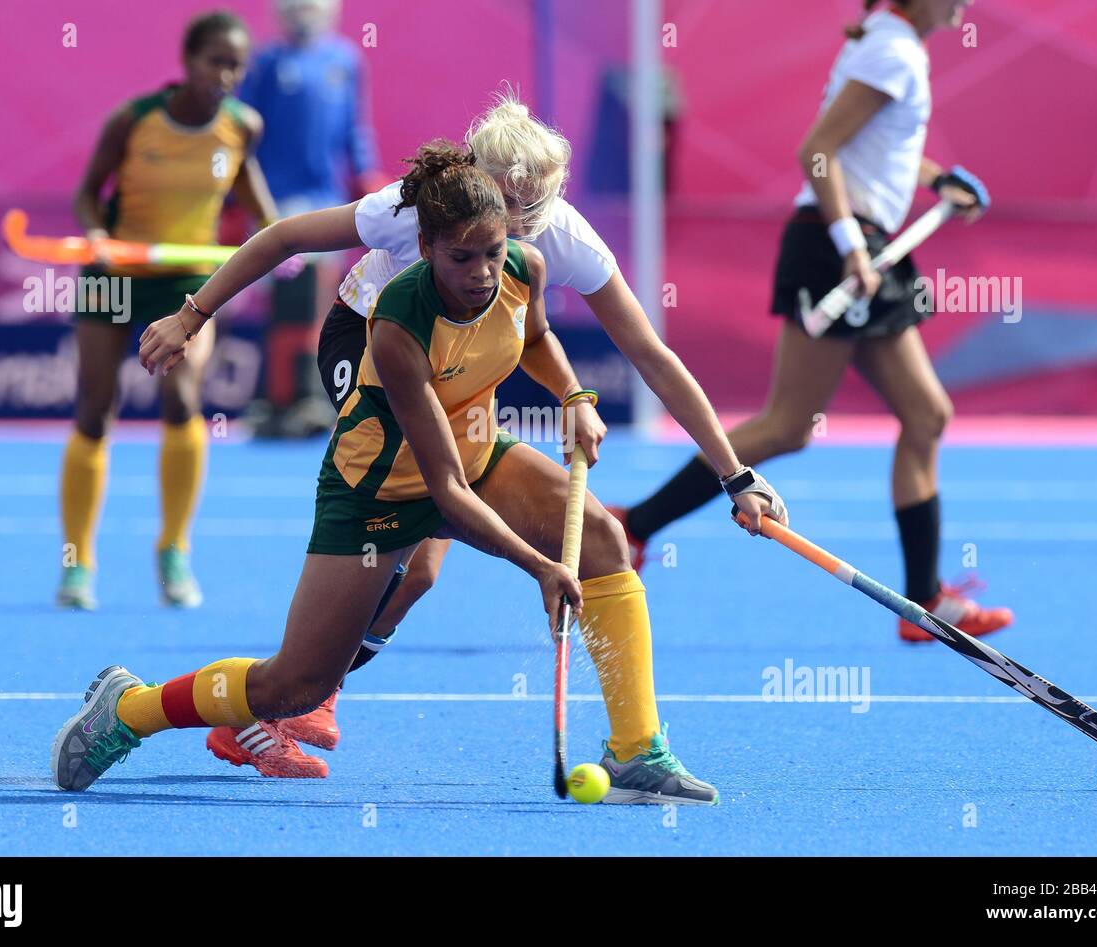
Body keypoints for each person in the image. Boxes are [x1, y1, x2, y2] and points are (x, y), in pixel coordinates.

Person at [51, 141, 786, 804]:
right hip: (381, 481)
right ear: (430, 242)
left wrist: (583, 400)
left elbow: (540, 332)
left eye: (502, 244)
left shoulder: (523, 256)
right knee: (290, 679)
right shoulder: (397, 315)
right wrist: (536, 565)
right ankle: (131, 707)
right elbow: (448, 495)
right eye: (467, 253)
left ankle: (635, 750)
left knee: (597, 537)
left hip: (465, 436)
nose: (488, 266)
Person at [610, 0, 1013, 644]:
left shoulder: (887, 43)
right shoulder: (894, 51)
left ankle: (924, 601)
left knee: (925, 413)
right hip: (839, 249)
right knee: (788, 425)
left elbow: (866, 152)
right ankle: (633, 524)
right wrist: (851, 242)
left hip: (856, 244)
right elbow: (818, 151)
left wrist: (939, 180)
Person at [57, 10, 278, 610]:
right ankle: (79, 563)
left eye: (236, 64)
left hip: (188, 281)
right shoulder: (133, 120)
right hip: (113, 274)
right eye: (215, 62)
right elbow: (86, 194)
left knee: (182, 399)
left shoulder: (242, 126)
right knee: (95, 409)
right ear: (187, 62)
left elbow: (257, 203)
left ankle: (174, 551)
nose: (226, 75)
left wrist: (279, 238)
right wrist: (98, 236)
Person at [238, 0, 384, 438]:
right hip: (275, 205)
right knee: (288, 303)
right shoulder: (265, 63)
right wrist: (238, 199)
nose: (304, 13)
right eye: (295, 6)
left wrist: (368, 177)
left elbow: (356, 130)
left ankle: (308, 398)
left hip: (327, 202)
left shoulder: (346, 60)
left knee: (319, 302)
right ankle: (276, 400)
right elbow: (242, 134)